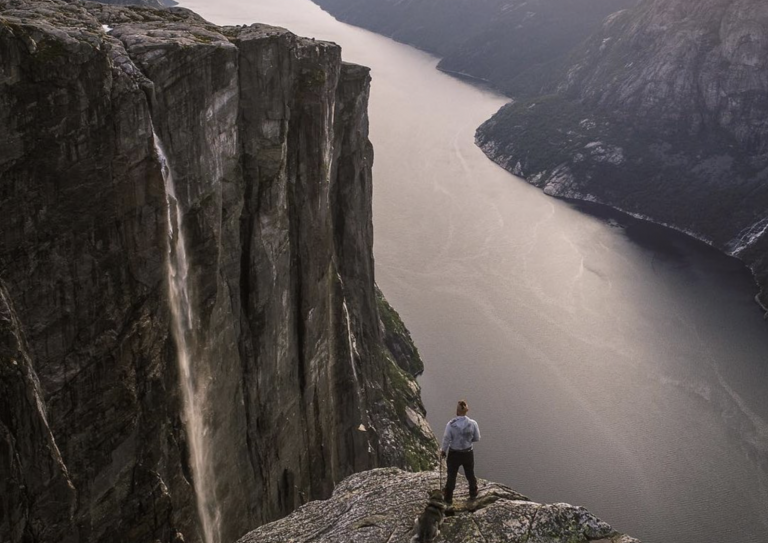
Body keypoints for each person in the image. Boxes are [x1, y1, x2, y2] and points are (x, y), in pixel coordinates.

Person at [440, 399, 480, 504]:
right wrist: (467, 441)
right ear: (467, 410)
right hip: (468, 453)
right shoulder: (473, 423)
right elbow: (477, 438)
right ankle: (473, 492)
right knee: (470, 473)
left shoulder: (451, 424)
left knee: (452, 475)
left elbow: (446, 439)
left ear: (456, 411)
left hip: (454, 454)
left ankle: (448, 498)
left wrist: (443, 451)